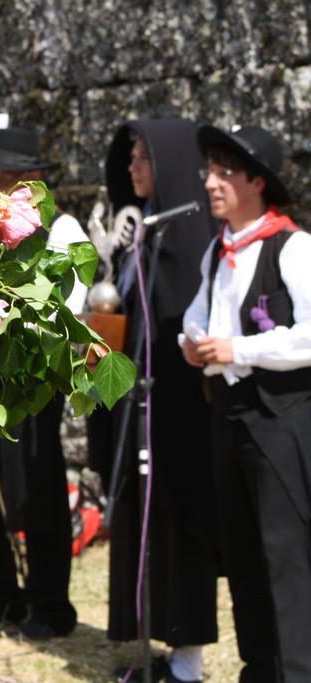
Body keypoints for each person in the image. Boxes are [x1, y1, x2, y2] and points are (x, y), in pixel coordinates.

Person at [182, 124, 311, 682]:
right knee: (241, 551)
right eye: (209, 172)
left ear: (257, 182)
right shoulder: (218, 250)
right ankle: (259, 667)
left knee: (285, 553)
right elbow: (196, 313)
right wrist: (191, 343)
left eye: (224, 174)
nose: (211, 183)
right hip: (228, 415)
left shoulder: (293, 246)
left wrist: (241, 347)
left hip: (279, 418)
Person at [0, 127, 88, 639]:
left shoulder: (63, 228)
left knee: (36, 487)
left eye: (5, 179)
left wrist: (5, 317)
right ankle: (0, 592)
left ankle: (50, 601)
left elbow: (67, 310)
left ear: (31, 179)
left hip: (30, 373)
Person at [100, 119, 219, 682]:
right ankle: (148, 641)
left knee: (180, 525)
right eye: (129, 159)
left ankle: (188, 659)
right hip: (138, 405)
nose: (132, 167)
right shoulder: (141, 230)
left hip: (180, 411)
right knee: (140, 520)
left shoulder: (192, 237)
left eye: (143, 157)